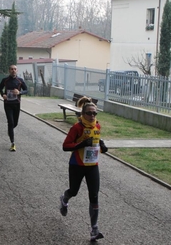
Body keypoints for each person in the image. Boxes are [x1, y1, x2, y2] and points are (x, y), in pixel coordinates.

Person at [58, 96, 108, 242]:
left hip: (92, 166)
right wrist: (80, 144)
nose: (92, 116)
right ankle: (64, 199)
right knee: (73, 191)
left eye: (94, 113)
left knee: (94, 196)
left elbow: (95, 144)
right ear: (82, 114)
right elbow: (65, 146)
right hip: (77, 165)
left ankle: (94, 229)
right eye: (89, 113)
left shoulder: (97, 127)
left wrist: (103, 147)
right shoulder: (77, 127)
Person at [0, 65, 28, 151]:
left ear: (17, 70)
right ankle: (12, 143)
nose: (13, 70)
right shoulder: (5, 80)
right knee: (10, 122)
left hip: (16, 104)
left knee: (15, 123)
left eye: (15, 69)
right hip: (7, 104)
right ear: (9, 70)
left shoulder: (20, 80)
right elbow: (0, 88)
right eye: (11, 69)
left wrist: (20, 92)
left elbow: (26, 90)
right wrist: (2, 94)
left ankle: (10, 130)